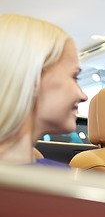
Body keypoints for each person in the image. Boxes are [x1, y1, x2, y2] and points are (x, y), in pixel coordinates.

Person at [0, 14, 88, 165]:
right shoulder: (63, 179)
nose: (83, 95)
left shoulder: (62, 177)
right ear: (32, 79)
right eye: (74, 77)